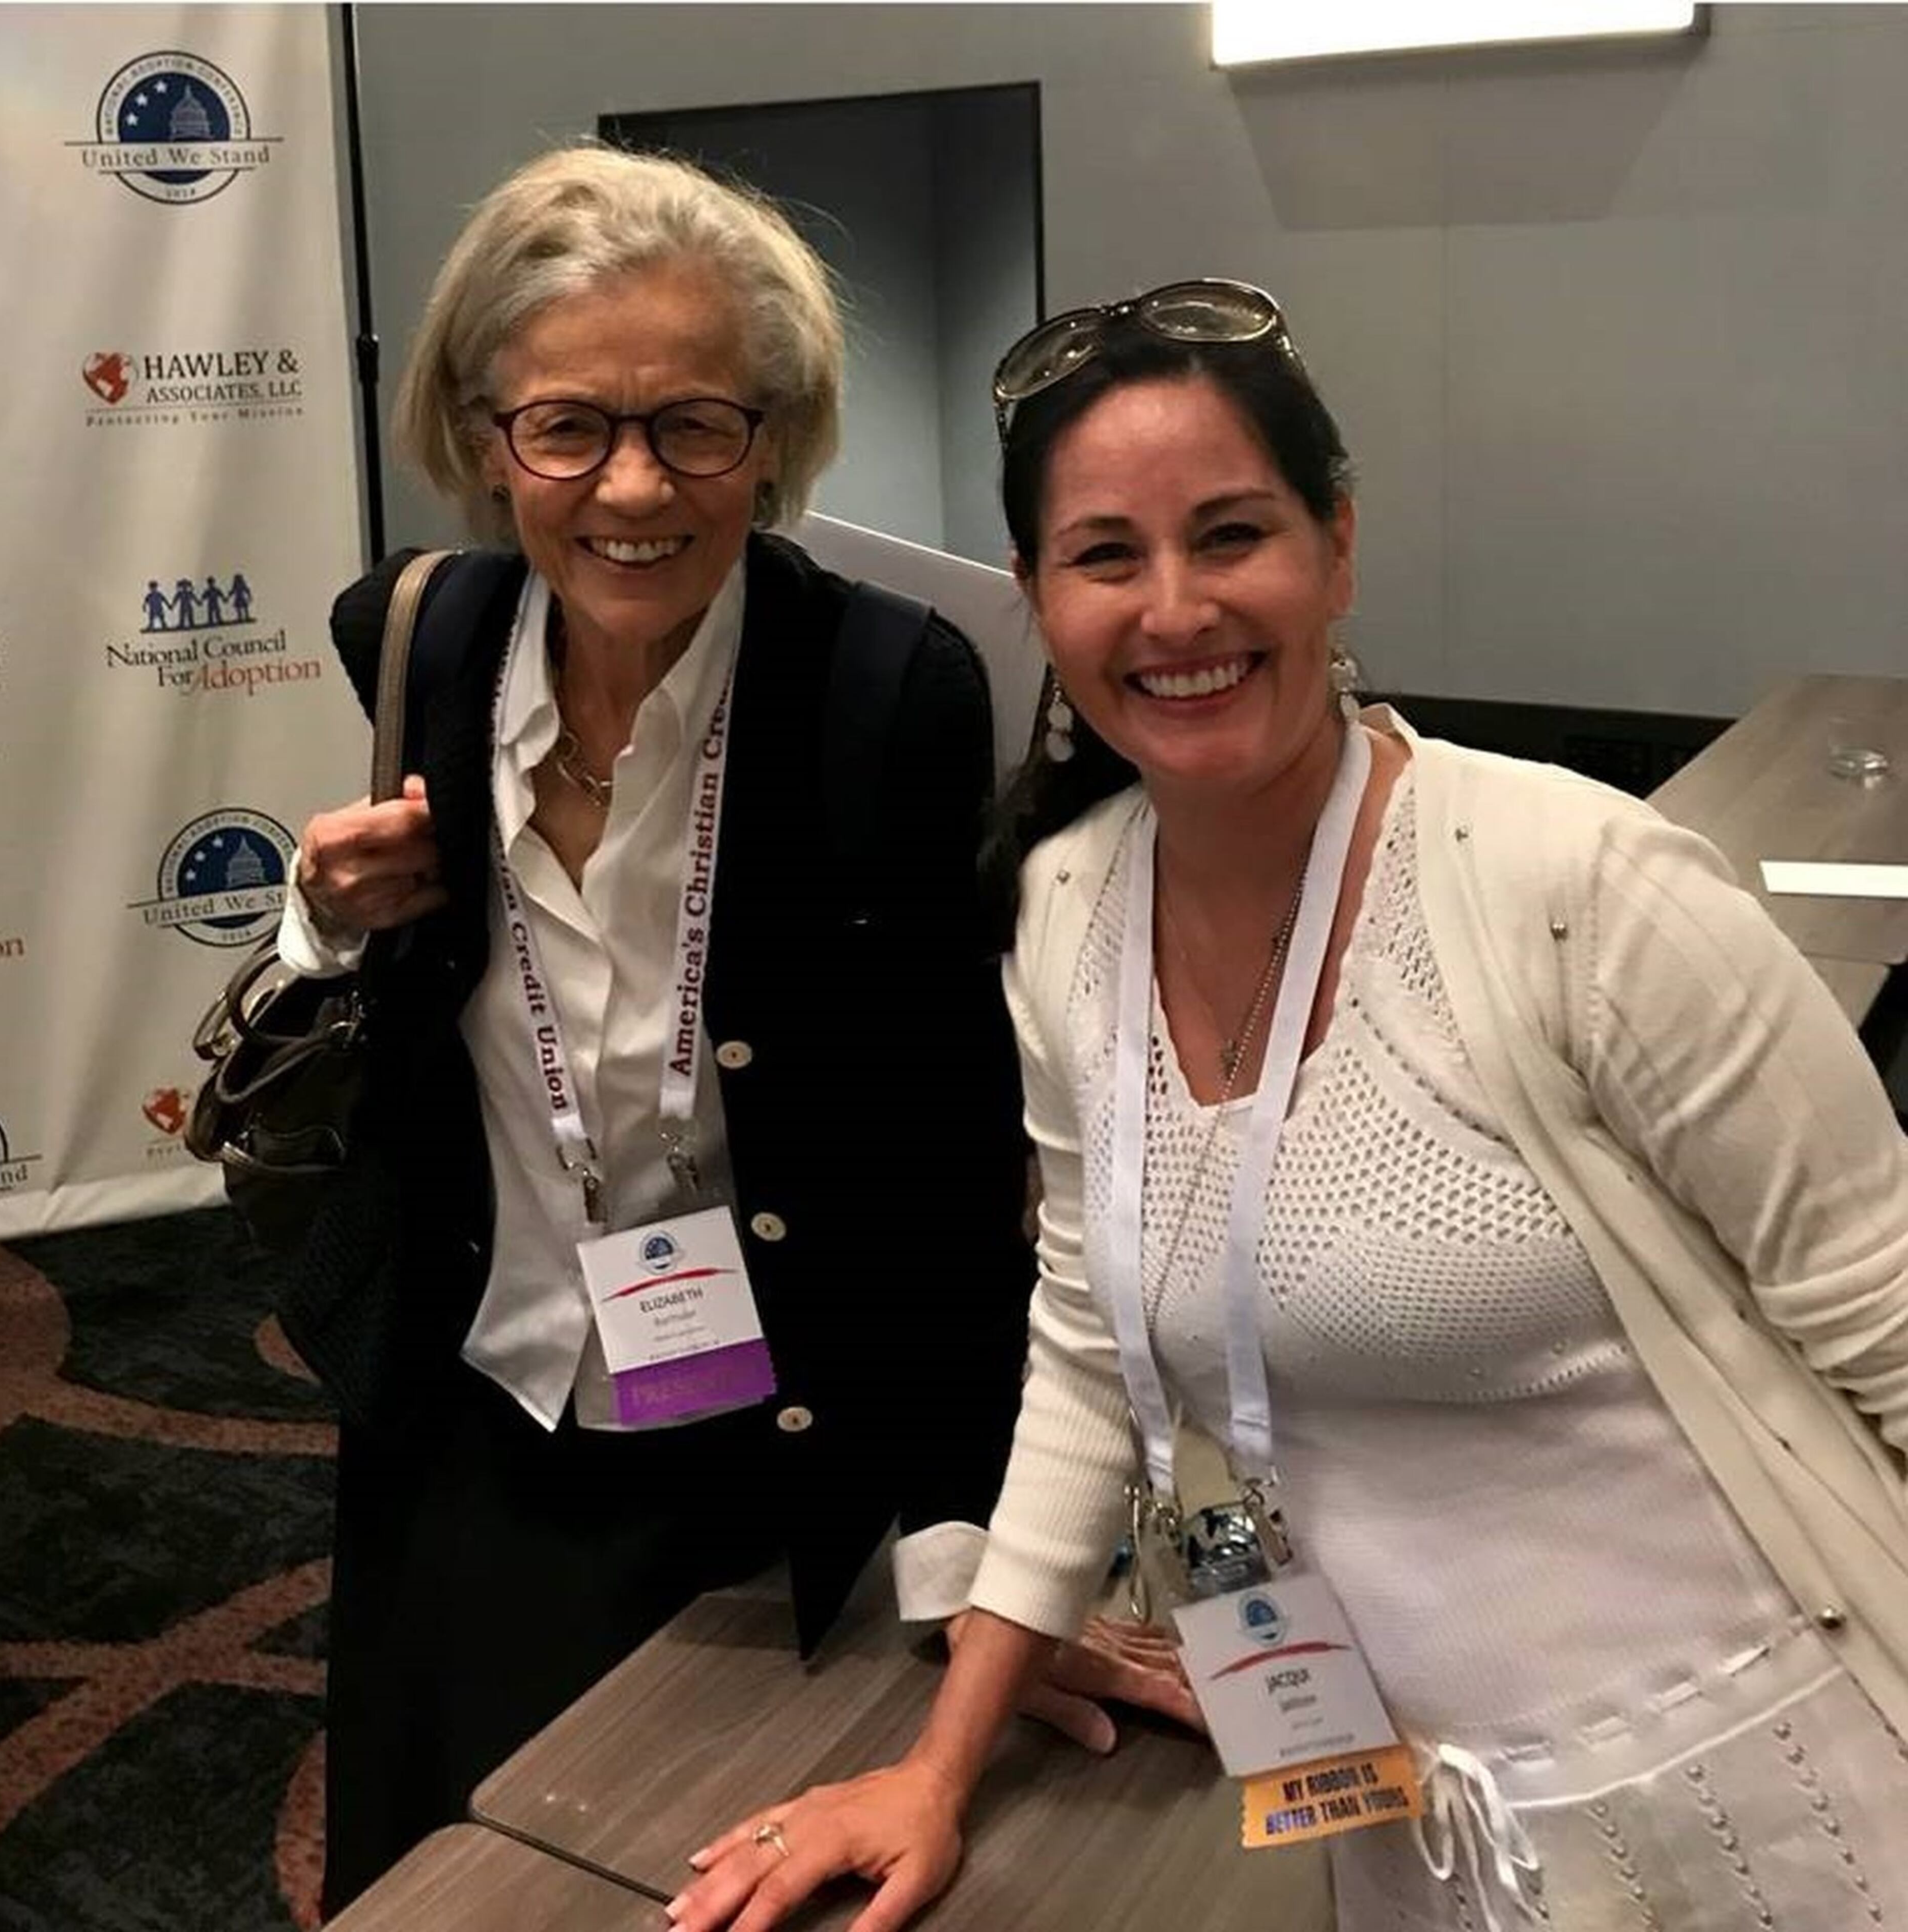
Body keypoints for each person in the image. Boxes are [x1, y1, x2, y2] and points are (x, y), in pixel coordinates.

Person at [668, 280, 1908, 1932]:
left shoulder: (1578, 890)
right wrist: (937, 1765)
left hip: (1760, 1791)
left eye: (1233, 534)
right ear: (1037, 596)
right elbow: (1088, 1344)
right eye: (1107, 555)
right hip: (1398, 1818)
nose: (1176, 609)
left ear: (1337, 546)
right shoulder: (1065, 909)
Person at [274, 145, 1056, 1914]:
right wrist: (328, 912)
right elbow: (377, 1028)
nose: (633, 486)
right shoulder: (419, 635)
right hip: (472, 1401)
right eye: (566, 427)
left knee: (703, 1864)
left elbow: (946, 1149)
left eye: (695, 424)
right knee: (440, 1860)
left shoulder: (884, 691)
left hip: (769, 1444)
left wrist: (964, 1540)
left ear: (772, 440)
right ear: (487, 440)